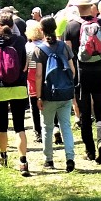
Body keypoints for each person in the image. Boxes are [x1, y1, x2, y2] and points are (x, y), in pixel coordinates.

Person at [64, 0, 101, 163]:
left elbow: (67, 55)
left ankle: (90, 151)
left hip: (80, 75)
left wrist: (71, 76)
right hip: (99, 72)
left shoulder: (70, 26)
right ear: (92, 4)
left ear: (76, 5)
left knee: (84, 113)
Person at [0, 15, 32, 176]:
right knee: (20, 126)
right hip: (19, 86)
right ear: (13, 26)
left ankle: (3, 156)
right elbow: (25, 62)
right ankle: (23, 162)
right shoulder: (20, 41)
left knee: (2, 126)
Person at [36, 15, 76, 172]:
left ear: (41, 30)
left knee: (47, 127)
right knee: (66, 125)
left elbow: (39, 75)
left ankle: (49, 160)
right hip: (65, 94)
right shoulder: (64, 47)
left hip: (48, 95)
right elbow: (72, 71)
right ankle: (70, 158)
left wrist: (39, 96)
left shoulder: (39, 50)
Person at [25, 19, 45, 145]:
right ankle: (52, 128)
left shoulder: (27, 47)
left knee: (34, 107)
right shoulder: (44, 45)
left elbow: (25, 66)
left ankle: (38, 131)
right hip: (43, 75)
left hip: (31, 76)